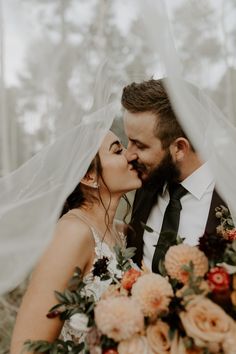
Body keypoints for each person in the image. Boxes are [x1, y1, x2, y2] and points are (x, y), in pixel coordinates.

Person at [10, 130, 141, 353]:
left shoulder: (124, 231)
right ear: (88, 177)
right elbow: (26, 347)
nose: (131, 155)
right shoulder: (72, 232)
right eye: (118, 150)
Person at [121, 78, 226, 271]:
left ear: (179, 148)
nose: (128, 154)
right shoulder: (146, 185)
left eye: (140, 145)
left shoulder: (230, 197)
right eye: (129, 141)